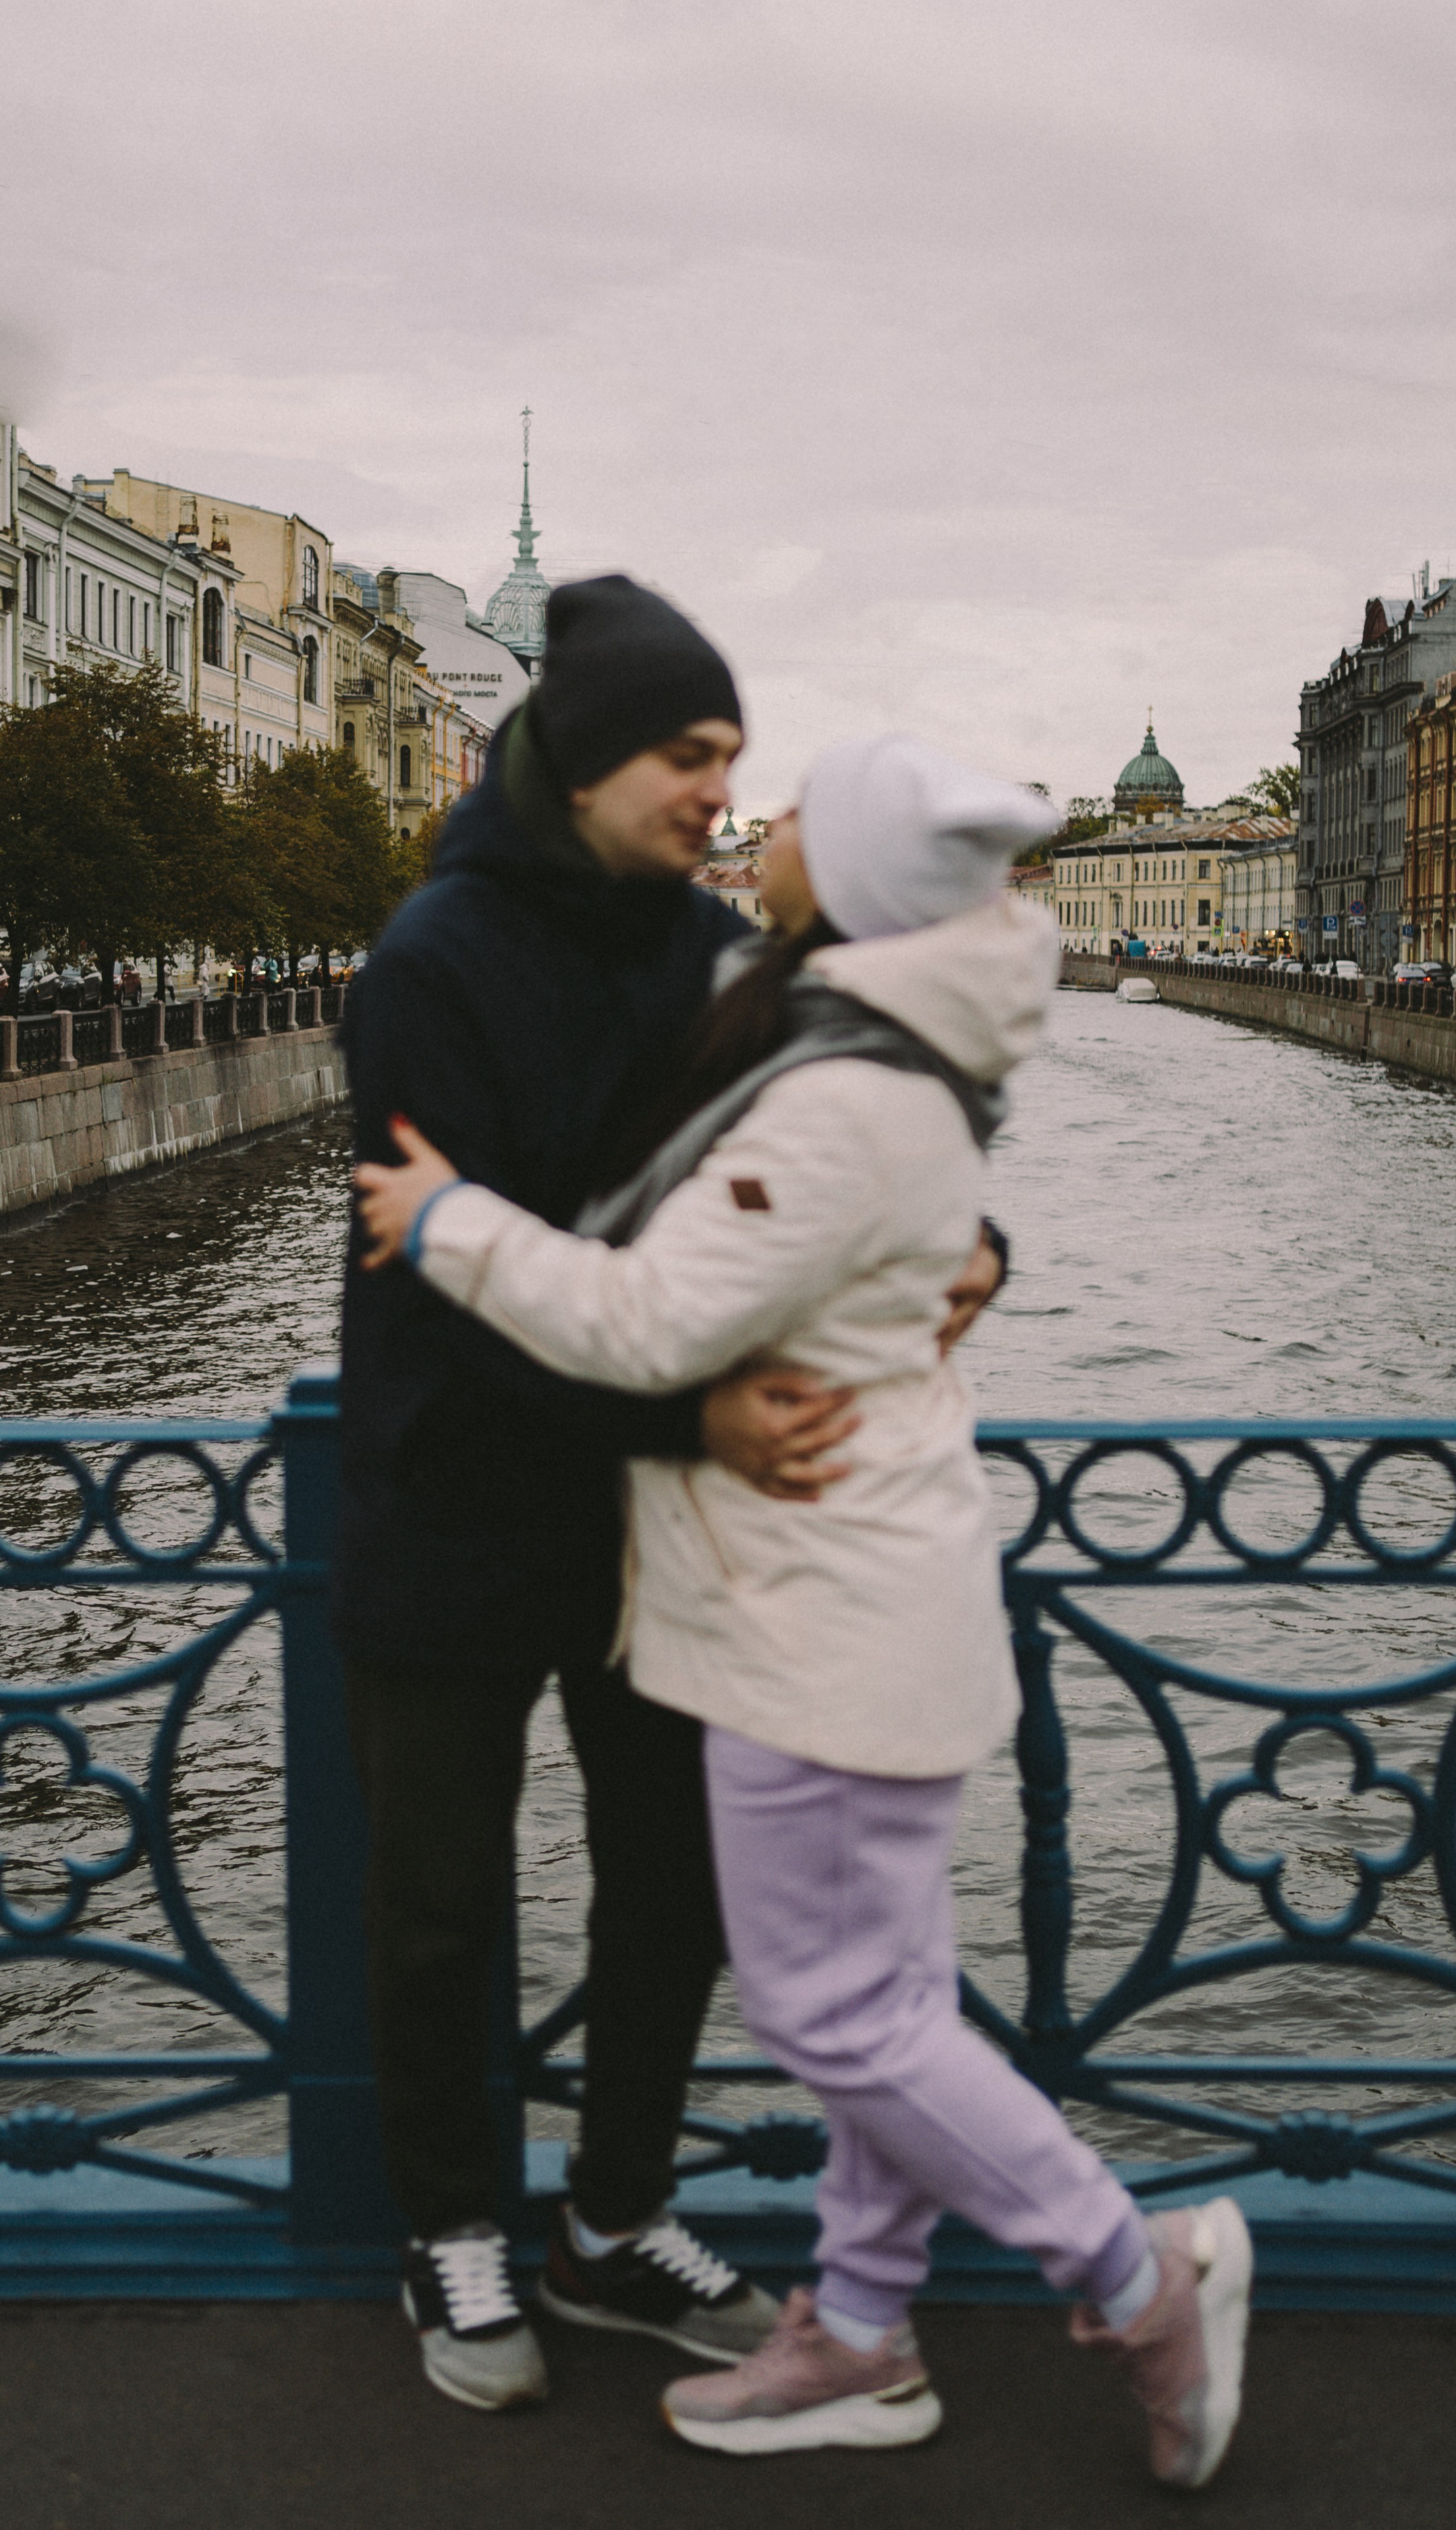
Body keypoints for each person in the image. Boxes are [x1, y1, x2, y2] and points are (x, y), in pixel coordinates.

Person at [356, 731, 1253, 2490]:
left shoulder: (838, 1083)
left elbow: (644, 1327)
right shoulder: (877, 1040)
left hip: (808, 1604)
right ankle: (860, 2328)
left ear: (841, 882)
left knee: (844, 2019)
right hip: (869, 1585)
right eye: (700, 764)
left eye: (779, 811)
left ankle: (1143, 2280)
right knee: (892, 2000)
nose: (746, 822)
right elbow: (902, 1238)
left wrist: (447, 1221)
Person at [335, 578, 1003, 2415]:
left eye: (731, 757)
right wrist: (690, 1426)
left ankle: (613, 2221)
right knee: (439, 1904)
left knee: (672, 1890)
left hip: (652, 1534)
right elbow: (453, 1281)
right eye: (688, 756)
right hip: (451, 1497)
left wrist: (978, 1244)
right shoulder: (429, 962)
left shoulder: (704, 958)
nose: (720, 790)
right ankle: (450, 2231)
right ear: (584, 759)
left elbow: (844, 1140)